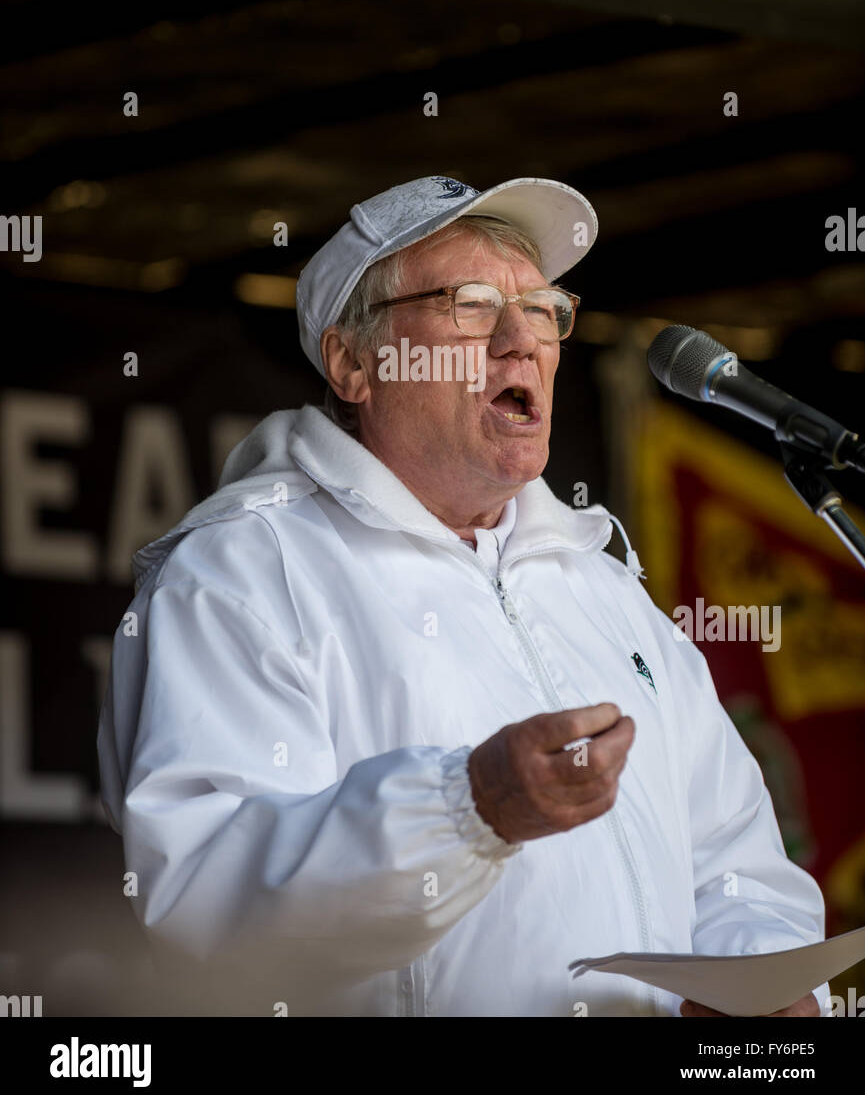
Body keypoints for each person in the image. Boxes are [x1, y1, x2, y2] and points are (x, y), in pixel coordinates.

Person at [97, 174, 828, 1017]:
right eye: (472, 305)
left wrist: (759, 982)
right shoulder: (241, 573)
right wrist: (465, 810)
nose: (523, 341)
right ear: (353, 363)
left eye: (546, 308)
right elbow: (212, 909)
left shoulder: (602, 589)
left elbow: (732, 864)